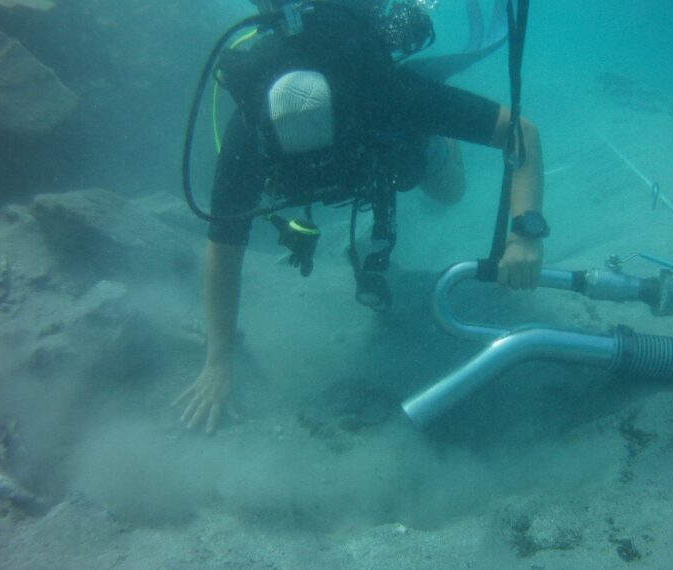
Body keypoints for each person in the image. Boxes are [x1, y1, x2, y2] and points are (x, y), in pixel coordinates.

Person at [175, 0, 548, 433]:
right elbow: (224, 247)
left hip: (398, 151)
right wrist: (219, 360)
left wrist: (525, 233)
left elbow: (521, 133)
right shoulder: (249, 130)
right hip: (366, 142)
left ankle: (439, 139)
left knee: (449, 194)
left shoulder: (384, 92)